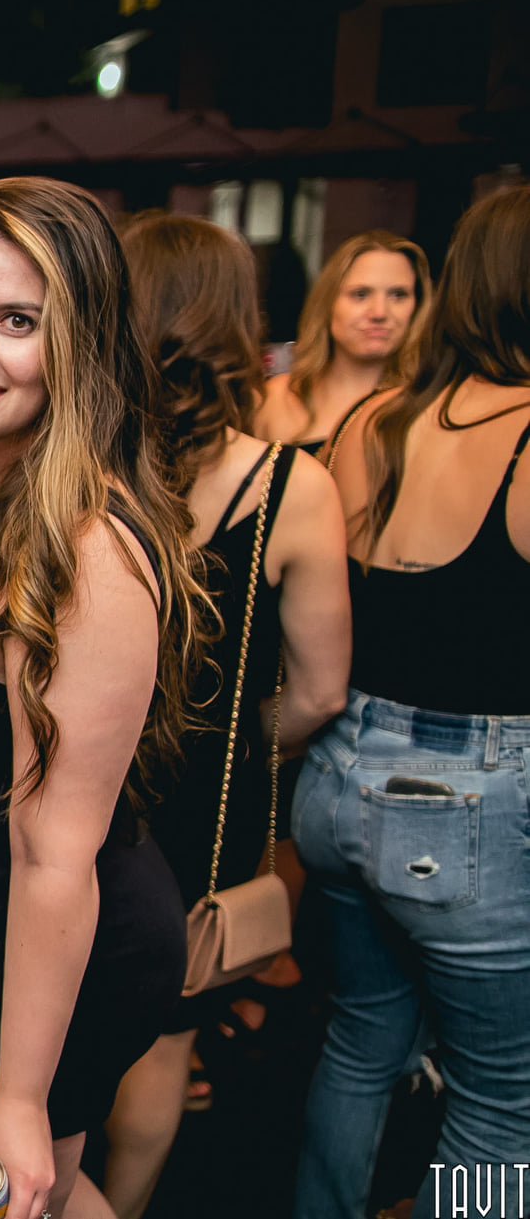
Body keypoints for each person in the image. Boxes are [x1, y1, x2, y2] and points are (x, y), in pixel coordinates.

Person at [0, 177, 211, 1219]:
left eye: (16, 322)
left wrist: (22, 1095)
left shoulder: (85, 547)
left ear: (78, 342)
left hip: (33, 946)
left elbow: (53, 851)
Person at [99, 214, 351, 1219]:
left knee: (45, 1023)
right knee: (162, 1043)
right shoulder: (294, 484)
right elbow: (320, 690)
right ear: (234, 323)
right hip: (206, 802)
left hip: (68, 779)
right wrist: (244, 742)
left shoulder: (70, 461)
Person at [291, 184, 530, 1219]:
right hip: (465, 804)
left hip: (339, 775)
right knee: (504, 1094)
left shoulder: (373, 422)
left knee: (359, 1041)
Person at [252, 231, 431, 456]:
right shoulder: (273, 401)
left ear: (417, 307)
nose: (379, 312)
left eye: (398, 295)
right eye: (361, 294)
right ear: (328, 303)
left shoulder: (427, 410)